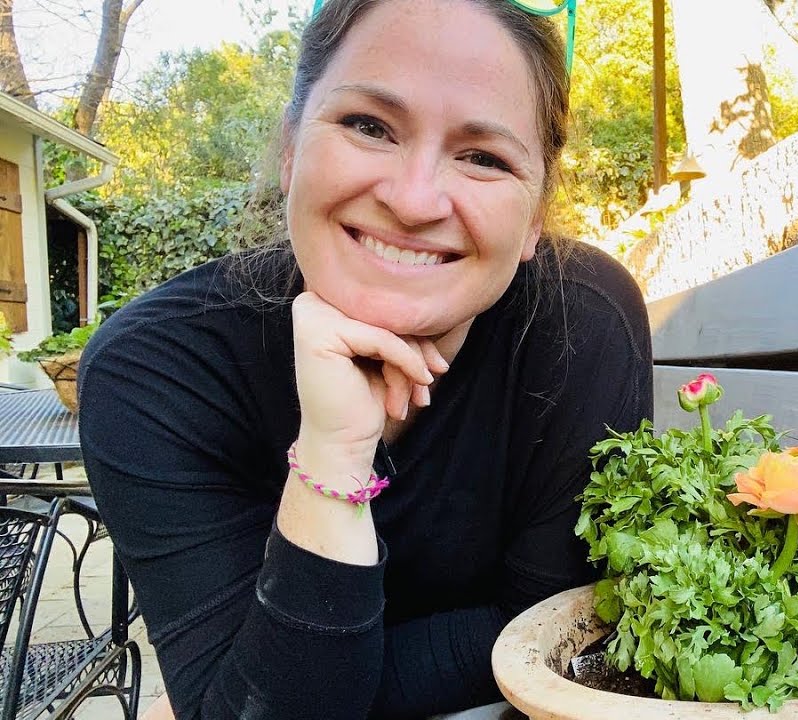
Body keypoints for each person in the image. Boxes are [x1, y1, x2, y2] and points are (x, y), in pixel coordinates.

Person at [78, 1, 653, 718]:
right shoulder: (155, 373)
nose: (413, 201)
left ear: (535, 214)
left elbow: (544, 631)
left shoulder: (581, 324)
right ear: (291, 150)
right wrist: (332, 456)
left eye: (483, 157)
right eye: (368, 126)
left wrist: (259, 678)